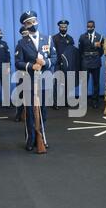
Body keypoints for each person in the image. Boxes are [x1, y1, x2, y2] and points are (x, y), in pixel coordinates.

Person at [15, 10, 57, 152]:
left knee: (43, 111)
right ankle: (30, 139)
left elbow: (55, 57)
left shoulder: (48, 39)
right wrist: (31, 66)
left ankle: (42, 138)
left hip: (44, 80)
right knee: (30, 112)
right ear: (25, 25)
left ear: (37, 21)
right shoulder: (21, 43)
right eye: (28, 23)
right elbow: (18, 62)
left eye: (34, 21)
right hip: (29, 81)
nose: (32, 24)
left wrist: (45, 62)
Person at [78, 21, 103, 109]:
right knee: (84, 82)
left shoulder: (100, 37)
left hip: (96, 60)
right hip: (85, 61)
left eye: (91, 27)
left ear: (94, 27)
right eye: (88, 27)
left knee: (96, 82)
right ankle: (83, 101)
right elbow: (80, 50)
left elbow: (101, 51)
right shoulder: (82, 37)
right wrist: (85, 57)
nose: (89, 28)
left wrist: (96, 55)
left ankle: (95, 100)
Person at [52, 20, 75, 109]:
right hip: (58, 64)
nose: (63, 29)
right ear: (59, 27)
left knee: (68, 83)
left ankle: (66, 101)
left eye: (65, 27)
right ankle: (56, 103)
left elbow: (72, 52)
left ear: (67, 27)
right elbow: (53, 52)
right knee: (57, 83)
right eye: (61, 27)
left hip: (68, 64)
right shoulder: (54, 38)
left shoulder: (70, 39)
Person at [14, 26, 29, 122]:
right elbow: (18, 62)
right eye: (23, 34)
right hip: (22, 73)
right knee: (20, 95)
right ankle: (18, 114)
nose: (25, 35)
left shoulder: (34, 44)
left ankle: (31, 115)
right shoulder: (20, 44)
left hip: (33, 73)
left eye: (26, 33)